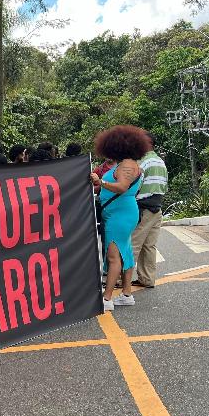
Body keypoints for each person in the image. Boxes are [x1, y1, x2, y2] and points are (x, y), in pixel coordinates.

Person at [89, 126, 146, 312]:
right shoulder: (126, 164)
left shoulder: (127, 165)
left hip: (120, 215)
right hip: (122, 213)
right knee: (125, 252)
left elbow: (121, 187)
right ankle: (126, 294)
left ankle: (106, 298)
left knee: (114, 257)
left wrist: (100, 182)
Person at [131, 139, 168, 288]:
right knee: (149, 246)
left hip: (143, 207)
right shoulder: (160, 161)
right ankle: (147, 279)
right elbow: (164, 185)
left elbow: (134, 186)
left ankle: (121, 279)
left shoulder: (143, 162)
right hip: (157, 206)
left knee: (133, 244)